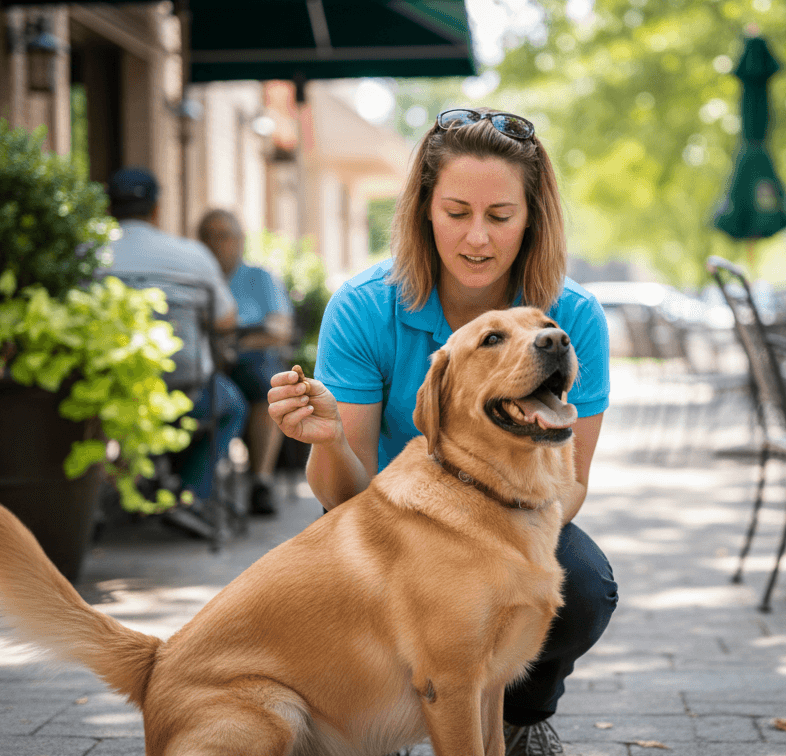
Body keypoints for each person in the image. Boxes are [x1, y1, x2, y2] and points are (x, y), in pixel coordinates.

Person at [266, 107, 617, 756]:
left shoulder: (572, 319)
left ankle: (519, 718)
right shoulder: (366, 307)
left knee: (585, 585)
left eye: (500, 216)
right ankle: (384, 715)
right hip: (389, 533)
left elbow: (571, 485)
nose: (476, 238)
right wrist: (328, 442)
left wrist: (487, 546)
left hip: (518, 520)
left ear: (532, 218)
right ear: (424, 210)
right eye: (456, 213)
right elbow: (341, 503)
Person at [104, 167, 248, 535]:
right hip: (185, 393)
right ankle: (189, 496)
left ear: (108, 207)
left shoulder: (88, 253)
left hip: (108, 398)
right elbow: (226, 320)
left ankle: (122, 495)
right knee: (232, 405)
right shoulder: (191, 255)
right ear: (156, 210)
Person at [197, 208, 293, 516]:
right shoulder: (195, 276)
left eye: (223, 236)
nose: (215, 243)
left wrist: (236, 343)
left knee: (265, 382)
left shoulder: (259, 278)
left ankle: (261, 482)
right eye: (207, 237)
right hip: (203, 362)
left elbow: (280, 330)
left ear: (240, 241)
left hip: (247, 361)